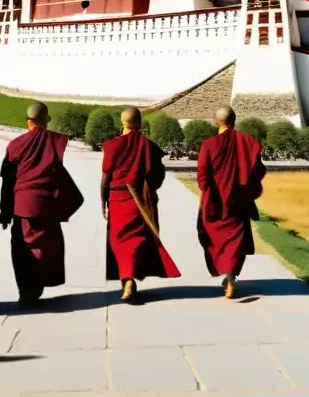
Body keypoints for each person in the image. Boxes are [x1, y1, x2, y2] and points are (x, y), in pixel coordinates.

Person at [0, 102, 83, 307]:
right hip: (47, 205)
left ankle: (26, 291)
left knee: (21, 249)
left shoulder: (15, 145)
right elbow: (56, 171)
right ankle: (35, 287)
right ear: (46, 120)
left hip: (22, 206)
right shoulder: (52, 141)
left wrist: (5, 211)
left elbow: (7, 181)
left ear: (27, 121)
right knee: (48, 247)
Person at [101, 107, 180, 302]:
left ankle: (127, 279)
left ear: (122, 122)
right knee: (137, 240)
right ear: (140, 122)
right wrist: (149, 190)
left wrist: (102, 200)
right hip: (140, 201)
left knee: (119, 241)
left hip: (118, 199)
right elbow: (159, 176)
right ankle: (130, 278)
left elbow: (105, 178)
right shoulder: (149, 146)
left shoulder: (112, 146)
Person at [196, 106, 266, 299]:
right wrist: (247, 189)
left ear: (217, 121)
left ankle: (227, 277)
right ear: (234, 120)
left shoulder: (209, 145)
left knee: (215, 239)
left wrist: (208, 193)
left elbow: (202, 175)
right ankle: (231, 277)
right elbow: (258, 170)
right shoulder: (249, 143)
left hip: (216, 202)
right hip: (239, 201)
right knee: (235, 241)